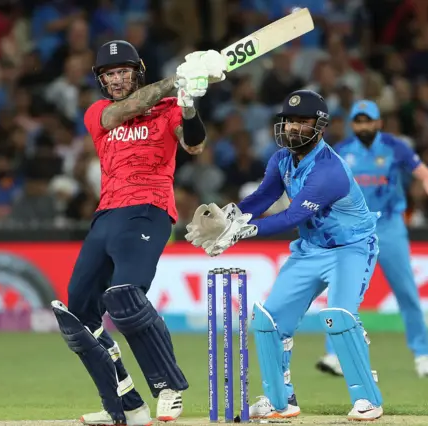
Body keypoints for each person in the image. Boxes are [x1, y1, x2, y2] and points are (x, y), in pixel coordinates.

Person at [50, 40, 226, 426]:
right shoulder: (99, 112)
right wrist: (176, 81)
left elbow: (195, 145)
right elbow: (125, 111)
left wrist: (190, 101)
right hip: (106, 215)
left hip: (148, 210)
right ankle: (126, 404)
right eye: (109, 74)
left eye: (123, 71)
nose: (116, 79)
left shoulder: (169, 109)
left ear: (138, 71)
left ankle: (168, 387)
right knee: (79, 313)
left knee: (125, 296)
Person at [186, 90, 384, 421]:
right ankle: (281, 402)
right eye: (289, 121)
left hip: (351, 248)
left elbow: (292, 216)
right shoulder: (281, 159)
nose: (292, 128)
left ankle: (368, 399)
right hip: (310, 250)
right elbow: (264, 196)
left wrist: (242, 232)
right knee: (267, 321)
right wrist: (228, 216)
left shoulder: (329, 171)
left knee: (339, 317)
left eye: (301, 122)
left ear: (320, 126)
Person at [317, 100, 428, 378]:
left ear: (379, 123)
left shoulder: (395, 147)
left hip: (390, 227)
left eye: (369, 121)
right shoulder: (342, 151)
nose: (364, 126)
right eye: (358, 121)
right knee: (344, 293)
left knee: (406, 293)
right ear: (352, 124)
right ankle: (335, 356)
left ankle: (423, 355)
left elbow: (425, 174)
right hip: (354, 230)